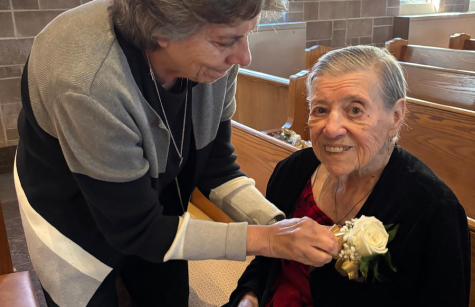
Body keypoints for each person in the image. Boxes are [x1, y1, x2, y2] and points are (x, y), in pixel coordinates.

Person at [14, 0, 341, 306]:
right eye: (227, 41)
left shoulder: (213, 63)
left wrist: (281, 224)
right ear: (162, 29)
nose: (244, 57)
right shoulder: (87, 81)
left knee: (164, 292)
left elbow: (218, 168)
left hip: (157, 200)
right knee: (91, 292)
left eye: (247, 36)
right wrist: (267, 240)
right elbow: (138, 230)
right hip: (73, 206)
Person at [225, 45, 471, 307]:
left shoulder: (434, 210)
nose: (331, 129)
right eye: (320, 109)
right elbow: (268, 261)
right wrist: (248, 297)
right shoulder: (293, 171)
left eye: (355, 110)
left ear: (396, 116)